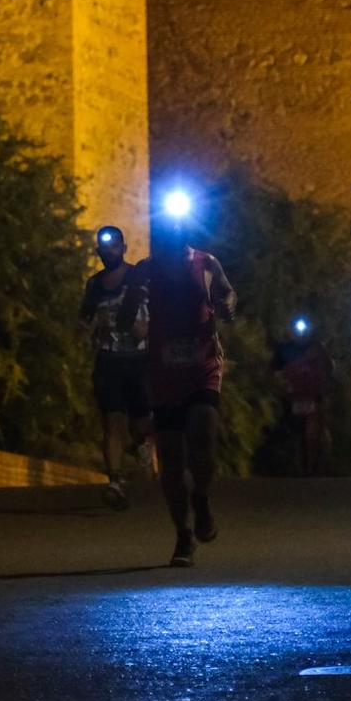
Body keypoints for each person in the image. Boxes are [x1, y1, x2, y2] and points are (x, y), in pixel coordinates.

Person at [120, 203, 236, 567]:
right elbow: (125, 320)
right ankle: (183, 535)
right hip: (164, 370)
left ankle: (201, 497)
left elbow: (227, 292)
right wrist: (134, 301)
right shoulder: (146, 269)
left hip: (202, 364)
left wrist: (227, 305)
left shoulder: (206, 262)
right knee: (170, 455)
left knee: (203, 431)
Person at [78, 225, 149, 509]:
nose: (109, 251)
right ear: (98, 252)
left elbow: (158, 317)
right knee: (111, 421)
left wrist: (141, 327)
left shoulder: (139, 279)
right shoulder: (94, 286)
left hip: (138, 360)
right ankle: (115, 482)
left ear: (124, 248)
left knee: (141, 422)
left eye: (114, 245)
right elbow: (82, 321)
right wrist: (84, 336)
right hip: (108, 360)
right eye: (104, 247)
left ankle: (143, 442)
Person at [272, 318, 334, 475]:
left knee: (312, 434)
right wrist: (283, 387)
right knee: (296, 433)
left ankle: (311, 467)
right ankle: (299, 467)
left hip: (313, 396)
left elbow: (328, 369)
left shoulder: (317, 348)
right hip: (292, 397)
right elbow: (275, 373)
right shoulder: (284, 349)